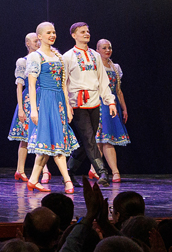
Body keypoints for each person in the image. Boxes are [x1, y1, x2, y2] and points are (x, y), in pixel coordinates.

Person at [24, 22, 78, 194]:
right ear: (39, 36)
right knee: (51, 142)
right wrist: (34, 109)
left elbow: (63, 85)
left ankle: (33, 179)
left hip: (58, 101)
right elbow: (31, 85)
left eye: (53, 32)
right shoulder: (36, 56)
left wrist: (68, 106)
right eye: (48, 32)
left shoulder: (58, 56)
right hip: (45, 101)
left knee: (51, 143)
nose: (52, 35)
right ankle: (67, 181)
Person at [62, 22, 116, 186]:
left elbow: (102, 80)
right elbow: (63, 83)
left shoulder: (95, 55)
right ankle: (102, 172)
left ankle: (69, 171)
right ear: (74, 35)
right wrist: (67, 105)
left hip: (94, 102)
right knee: (89, 139)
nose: (86, 34)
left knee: (86, 141)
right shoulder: (68, 56)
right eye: (82, 32)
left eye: (88, 31)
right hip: (77, 104)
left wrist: (110, 102)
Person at [94, 38, 129, 181]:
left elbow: (118, 91)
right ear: (97, 50)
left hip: (113, 105)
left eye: (109, 48)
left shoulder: (115, 67)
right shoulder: (96, 67)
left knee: (102, 139)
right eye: (104, 48)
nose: (108, 50)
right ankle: (115, 171)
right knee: (104, 139)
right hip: (101, 104)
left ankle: (94, 169)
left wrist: (124, 109)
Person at [8, 31, 41, 182]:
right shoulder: (23, 61)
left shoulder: (43, 59)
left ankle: (43, 171)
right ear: (28, 43)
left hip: (42, 99)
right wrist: (21, 109)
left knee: (41, 136)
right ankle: (20, 170)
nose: (37, 43)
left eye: (38, 40)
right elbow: (19, 86)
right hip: (28, 100)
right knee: (25, 137)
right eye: (35, 41)